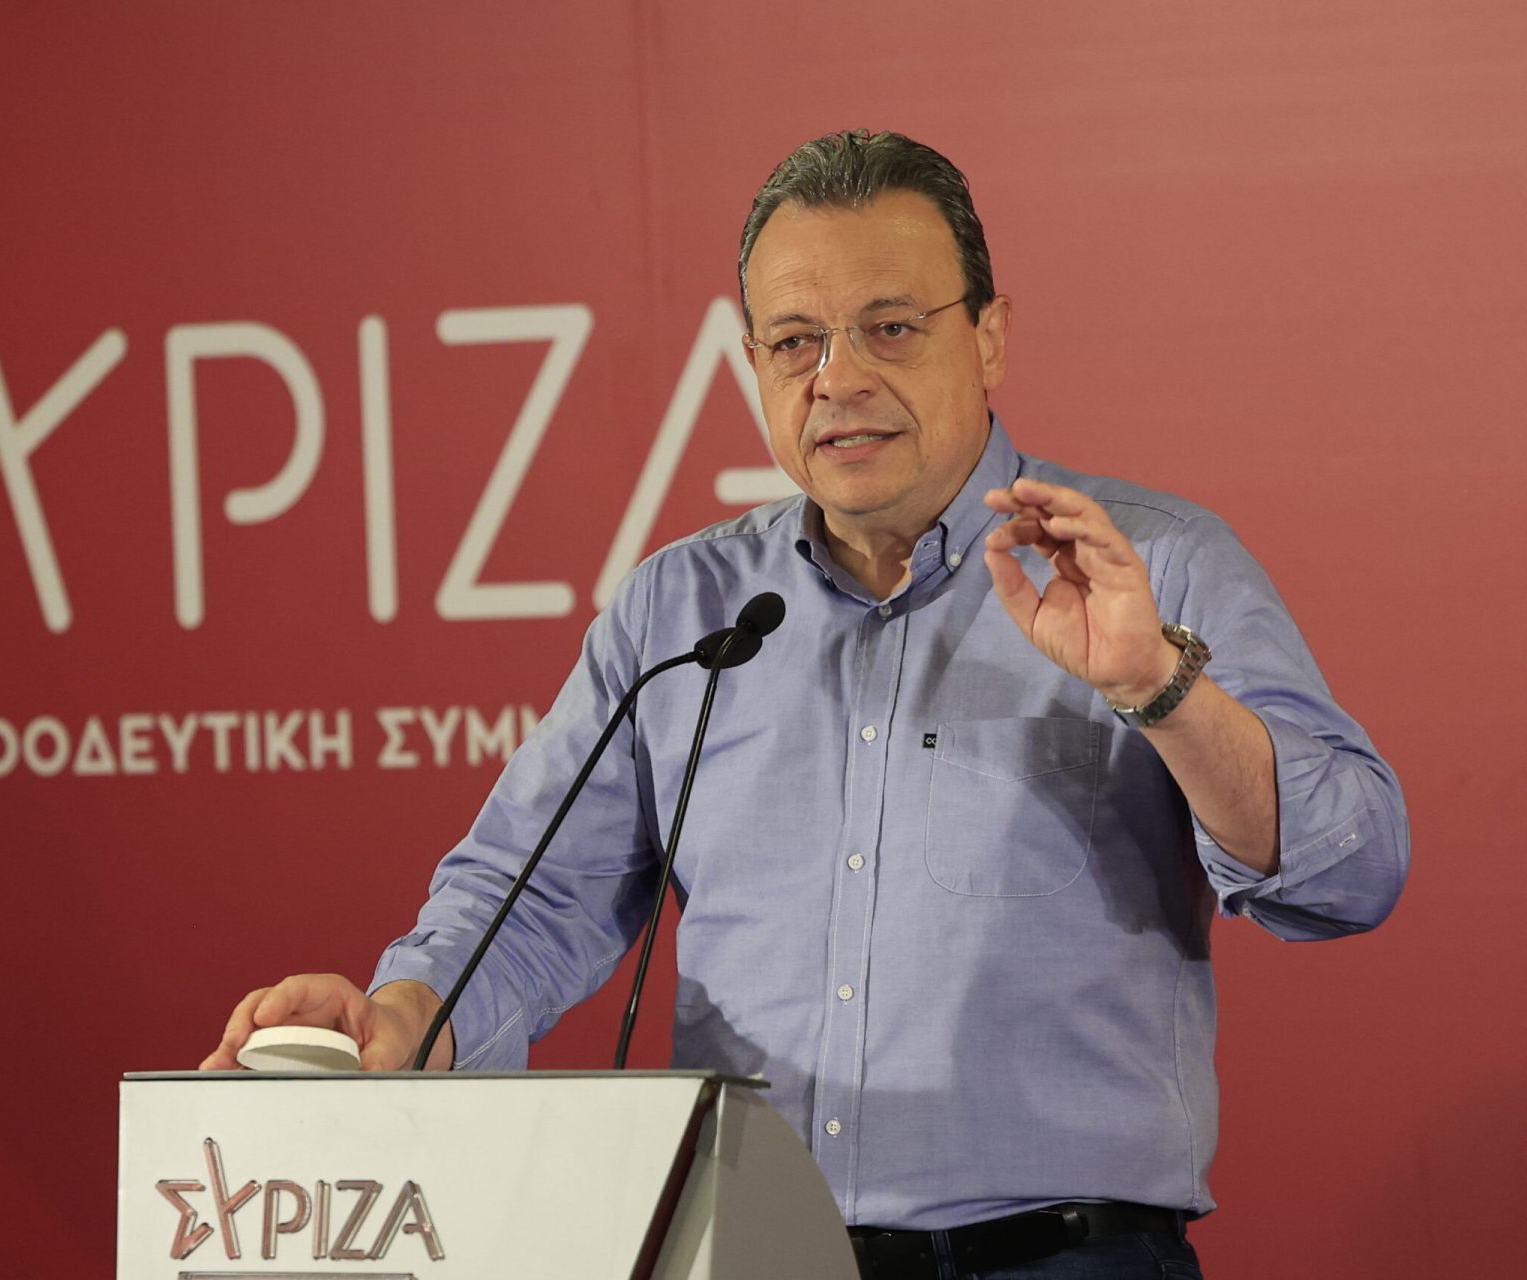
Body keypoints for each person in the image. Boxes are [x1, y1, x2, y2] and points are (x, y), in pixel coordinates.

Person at [201, 129, 1408, 1278]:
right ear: (755, 365)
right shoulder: (680, 609)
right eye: (794, 341)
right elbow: (534, 895)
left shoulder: (1148, 567)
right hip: (742, 1248)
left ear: (989, 338)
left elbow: (1354, 869)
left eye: (891, 327)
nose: (838, 378)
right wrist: (407, 1012)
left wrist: (1159, 688)